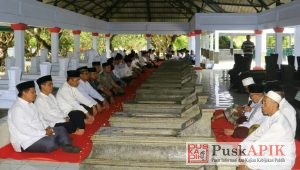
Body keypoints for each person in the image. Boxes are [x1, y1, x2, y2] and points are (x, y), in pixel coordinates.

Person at [7, 81, 80, 153]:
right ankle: (62, 141)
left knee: (61, 129)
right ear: (24, 93)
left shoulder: (31, 104)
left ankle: (67, 145)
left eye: (35, 92)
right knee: (50, 143)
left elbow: (40, 118)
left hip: (41, 133)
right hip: (27, 141)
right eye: (32, 92)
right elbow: (25, 130)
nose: (35, 94)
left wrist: (47, 127)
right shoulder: (17, 109)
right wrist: (44, 133)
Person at [239, 91, 295, 170]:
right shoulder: (271, 117)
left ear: (274, 105)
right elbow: (257, 133)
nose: (262, 106)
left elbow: (261, 144)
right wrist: (242, 146)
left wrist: (244, 154)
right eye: (262, 103)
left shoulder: (279, 125)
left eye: (265, 103)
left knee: (246, 163)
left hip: (281, 160)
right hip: (271, 152)